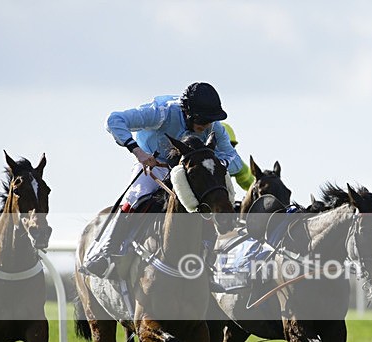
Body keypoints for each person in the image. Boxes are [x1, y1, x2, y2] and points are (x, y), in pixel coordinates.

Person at [83, 82, 254, 277]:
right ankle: (107, 250)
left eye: (210, 121)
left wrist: (212, 162)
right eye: (203, 121)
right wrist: (138, 151)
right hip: (153, 165)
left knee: (208, 200)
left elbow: (235, 160)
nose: (207, 126)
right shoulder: (162, 112)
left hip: (188, 171)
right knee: (137, 196)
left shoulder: (214, 126)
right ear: (188, 113)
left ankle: (207, 262)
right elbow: (114, 120)